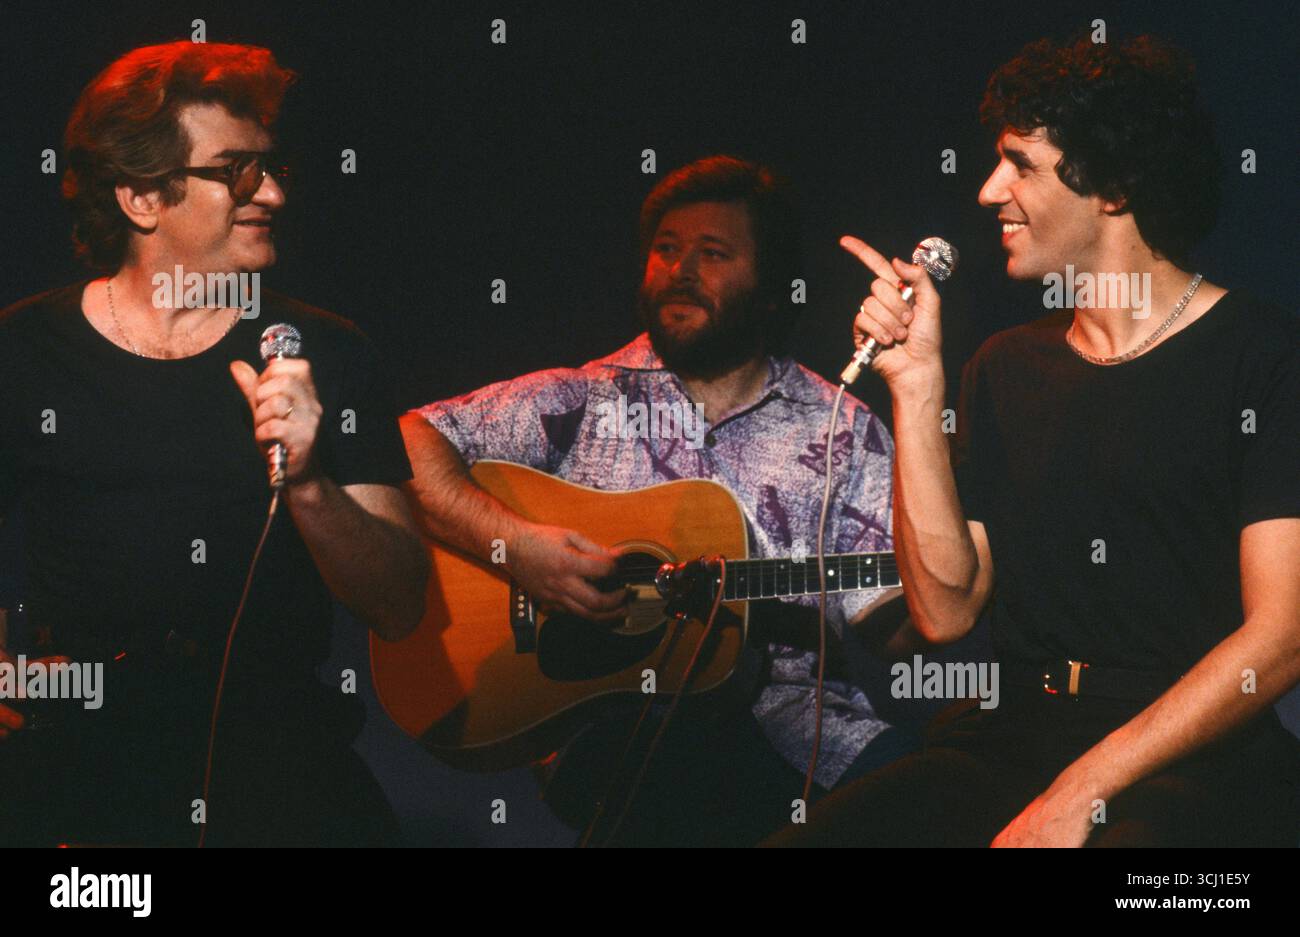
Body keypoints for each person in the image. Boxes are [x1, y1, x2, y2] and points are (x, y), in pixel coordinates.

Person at [774, 34, 1300, 847]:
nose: (990, 192)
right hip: (1009, 738)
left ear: (1113, 185)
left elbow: (1283, 635)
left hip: (1192, 760)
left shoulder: (1264, 357)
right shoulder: (1006, 367)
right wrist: (918, 388)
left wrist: (1083, 789)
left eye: (1021, 163)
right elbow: (945, 614)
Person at [401, 155, 918, 846]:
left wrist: (946, 583)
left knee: (930, 796)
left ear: (770, 286)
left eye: (712, 253)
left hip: (806, 736)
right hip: (617, 732)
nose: (681, 270)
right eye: (667, 250)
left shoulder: (844, 429)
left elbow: (897, 623)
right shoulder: (583, 398)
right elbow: (402, 445)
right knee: (684, 765)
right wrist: (520, 549)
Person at [0, 41, 429, 846]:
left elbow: (401, 603)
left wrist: (308, 483)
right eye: (234, 170)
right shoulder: (23, 351)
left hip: (281, 782)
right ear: (139, 196)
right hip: (82, 787)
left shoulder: (328, 353)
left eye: (271, 168)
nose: (270, 191)